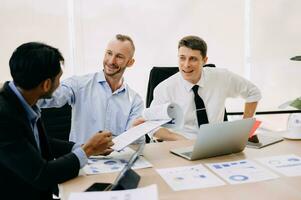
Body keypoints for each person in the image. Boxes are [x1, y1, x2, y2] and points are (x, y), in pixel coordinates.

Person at [0, 42, 114, 200]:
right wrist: (87, 150)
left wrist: (81, 147)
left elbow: (42, 142)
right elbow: (42, 174)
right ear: (46, 84)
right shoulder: (4, 117)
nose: (60, 84)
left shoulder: (24, 101)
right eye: (59, 79)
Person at [151, 35, 262, 141]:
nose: (186, 64)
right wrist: (180, 140)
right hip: (181, 145)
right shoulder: (165, 89)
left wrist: (245, 131)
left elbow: (253, 92)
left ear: (204, 60)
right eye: (182, 58)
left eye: (193, 59)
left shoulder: (221, 77)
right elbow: (152, 128)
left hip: (217, 144)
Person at [38, 34, 144, 144]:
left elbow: (134, 143)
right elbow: (48, 97)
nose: (111, 61)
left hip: (118, 159)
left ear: (130, 62)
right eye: (109, 53)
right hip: (83, 158)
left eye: (119, 57)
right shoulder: (78, 85)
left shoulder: (135, 101)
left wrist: (138, 132)